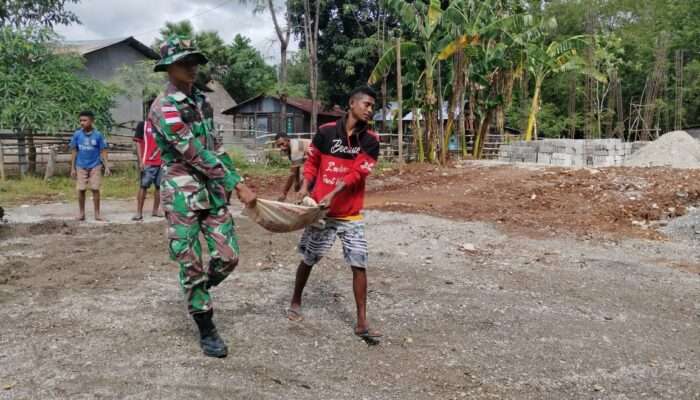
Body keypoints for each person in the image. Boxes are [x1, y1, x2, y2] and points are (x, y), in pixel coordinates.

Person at [149, 35, 257, 358]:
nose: (192, 67)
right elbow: (193, 153)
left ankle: (200, 289)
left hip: (212, 192)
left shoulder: (203, 102)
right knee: (190, 261)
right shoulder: (163, 108)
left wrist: (233, 179)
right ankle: (206, 326)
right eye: (185, 62)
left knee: (228, 257)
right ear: (169, 68)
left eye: (194, 61)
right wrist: (237, 184)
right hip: (182, 195)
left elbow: (216, 148)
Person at [287, 86, 382, 342]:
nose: (370, 109)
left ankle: (362, 322)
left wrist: (334, 193)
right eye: (366, 104)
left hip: (350, 214)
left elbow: (357, 173)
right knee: (309, 258)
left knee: (359, 263)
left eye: (373, 106)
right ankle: (296, 299)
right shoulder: (326, 132)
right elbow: (313, 161)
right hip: (320, 212)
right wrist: (306, 186)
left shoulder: (371, 140)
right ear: (352, 103)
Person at [69, 111, 110, 221]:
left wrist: (106, 166)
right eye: (81, 120)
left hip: (95, 165)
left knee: (95, 189)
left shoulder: (98, 135)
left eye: (85, 120)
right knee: (81, 189)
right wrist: (72, 167)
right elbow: (74, 150)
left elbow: (103, 150)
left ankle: (97, 214)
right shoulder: (77, 134)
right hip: (80, 165)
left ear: (92, 121)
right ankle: (81, 213)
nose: (82, 123)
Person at [132, 118, 164, 220]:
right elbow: (138, 142)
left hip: (162, 161)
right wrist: (140, 160)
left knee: (159, 187)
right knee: (143, 186)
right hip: (148, 162)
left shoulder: (163, 125)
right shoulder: (143, 125)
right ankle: (139, 212)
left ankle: (155, 210)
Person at [275, 132, 312, 201]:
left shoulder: (296, 148)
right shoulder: (289, 147)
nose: (281, 147)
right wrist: (296, 182)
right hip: (310, 159)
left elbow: (292, 174)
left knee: (305, 181)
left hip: (320, 156)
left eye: (282, 144)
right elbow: (297, 166)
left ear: (288, 140)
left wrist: (284, 193)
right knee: (301, 182)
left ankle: (307, 200)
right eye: (279, 145)